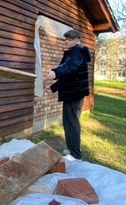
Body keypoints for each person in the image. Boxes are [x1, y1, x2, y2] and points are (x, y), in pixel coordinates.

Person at [46, 29, 91, 160]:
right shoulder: (74, 52)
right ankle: (73, 149)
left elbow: (69, 67)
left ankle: (76, 155)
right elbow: (69, 75)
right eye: (65, 39)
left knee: (71, 123)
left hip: (74, 94)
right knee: (69, 122)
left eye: (69, 39)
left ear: (77, 40)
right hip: (72, 92)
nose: (66, 41)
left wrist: (55, 71)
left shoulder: (77, 52)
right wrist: (53, 87)